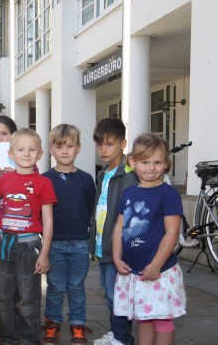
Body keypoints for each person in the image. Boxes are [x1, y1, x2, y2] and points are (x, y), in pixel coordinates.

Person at [0, 128, 57, 345]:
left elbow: (48, 221)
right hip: (3, 244)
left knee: (29, 300)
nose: (26, 153)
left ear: (40, 154)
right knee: (3, 299)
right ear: (11, 154)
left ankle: (28, 340)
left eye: (32, 149)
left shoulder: (44, 183)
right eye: (21, 149)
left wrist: (45, 253)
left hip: (29, 246)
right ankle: (8, 339)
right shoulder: (5, 180)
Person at [112, 134, 186, 345]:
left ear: (165, 165)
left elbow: (172, 233)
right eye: (145, 162)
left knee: (162, 319)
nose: (151, 167)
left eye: (157, 162)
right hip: (133, 271)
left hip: (159, 272)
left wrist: (156, 265)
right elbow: (119, 227)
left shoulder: (168, 194)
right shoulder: (128, 193)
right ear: (132, 162)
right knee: (143, 319)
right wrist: (117, 257)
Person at [41, 124, 96, 345]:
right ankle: (52, 324)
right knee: (54, 287)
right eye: (59, 146)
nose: (65, 151)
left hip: (80, 243)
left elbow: (90, 207)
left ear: (79, 148)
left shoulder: (86, 179)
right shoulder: (45, 180)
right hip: (53, 244)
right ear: (51, 150)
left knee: (76, 287)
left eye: (70, 146)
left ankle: (77, 325)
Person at [89, 118, 138, 345]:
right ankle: (117, 332)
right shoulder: (103, 174)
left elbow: (129, 216)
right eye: (99, 144)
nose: (103, 149)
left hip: (117, 248)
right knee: (110, 295)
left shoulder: (128, 174)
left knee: (117, 296)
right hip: (103, 245)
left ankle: (122, 337)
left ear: (123, 144)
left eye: (109, 144)